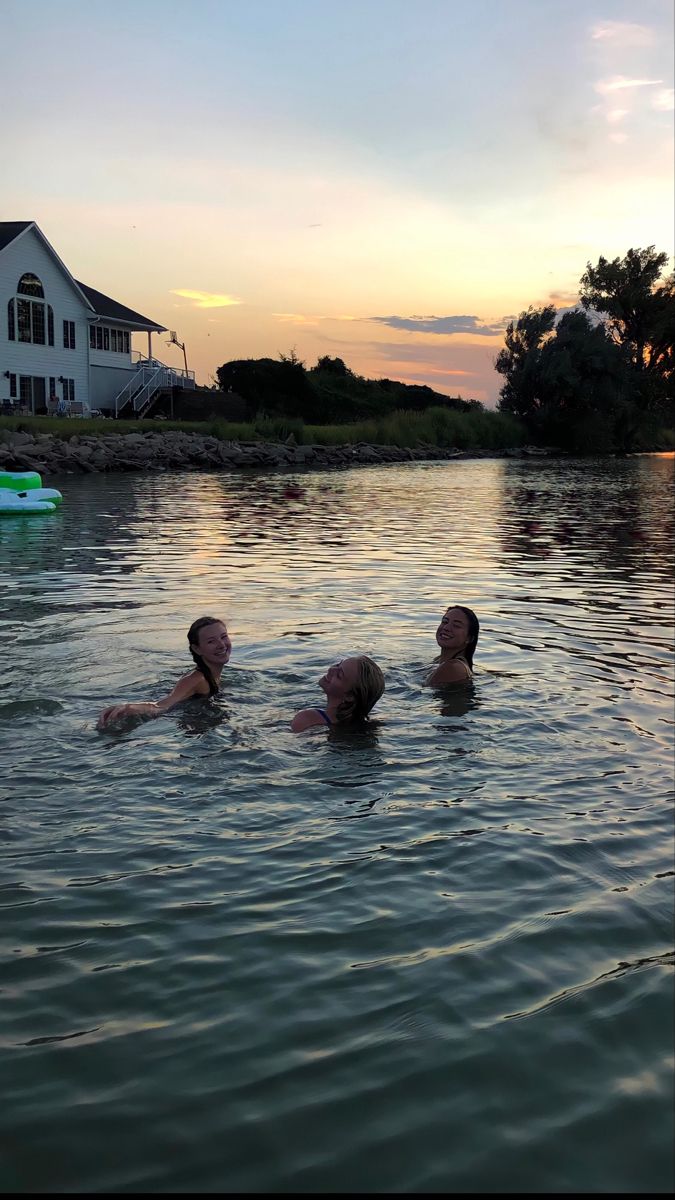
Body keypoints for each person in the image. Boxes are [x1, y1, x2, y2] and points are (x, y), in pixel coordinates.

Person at [97, 616, 231, 728]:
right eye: (211, 641)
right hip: (193, 728)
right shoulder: (196, 679)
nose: (221, 644)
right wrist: (127, 708)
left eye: (223, 637)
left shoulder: (209, 676)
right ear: (197, 649)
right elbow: (162, 706)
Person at [291, 655, 385, 732]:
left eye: (339, 675)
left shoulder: (307, 718)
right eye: (337, 665)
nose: (331, 669)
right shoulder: (359, 729)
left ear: (349, 696)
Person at [425, 605, 479, 687]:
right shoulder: (439, 660)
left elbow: (422, 692)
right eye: (445, 622)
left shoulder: (453, 667)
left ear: (469, 638)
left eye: (456, 626)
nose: (446, 628)